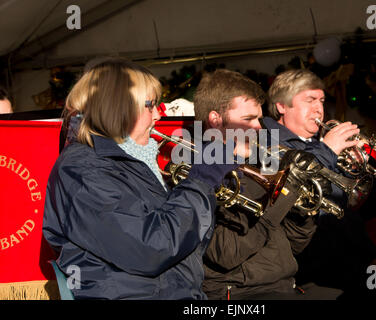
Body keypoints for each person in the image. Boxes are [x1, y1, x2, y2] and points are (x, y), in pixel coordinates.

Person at [42, 58, 239, 300]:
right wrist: (199, 183)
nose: (158, 115)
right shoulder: (82, 169)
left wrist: (209, 191)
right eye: (150, 105)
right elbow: (152, 248)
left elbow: (184, 247)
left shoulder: (134, 159)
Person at [193, 68, 343, 300]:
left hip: (284, 284)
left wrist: (304, 210)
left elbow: (292, 245)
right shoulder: (198, 174)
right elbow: (225, 254)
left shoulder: (260, 162)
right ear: (216, 120)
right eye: (248, 119)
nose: (259, 128)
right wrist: (278, 192)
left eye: (258, 118)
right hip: (241, 295)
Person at [264, 69, 376, 299]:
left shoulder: (317, 143)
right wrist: (326, 151)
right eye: (309, 100)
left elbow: (359, 208)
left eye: (322, 100)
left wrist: (369, 174)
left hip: (353, 258)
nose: (319, 109)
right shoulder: (268, 143)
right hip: (314, 269)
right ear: (282, 106)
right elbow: (297, 195)